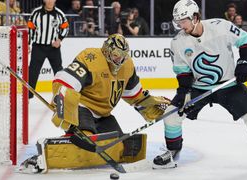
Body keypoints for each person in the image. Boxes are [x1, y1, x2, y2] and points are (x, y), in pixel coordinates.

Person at [152, 0, 247, 172]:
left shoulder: (220, 27)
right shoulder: (177, 42)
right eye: (178, 21)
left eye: (183, 20)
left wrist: (244, 63)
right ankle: (172, 151)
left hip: (229, 85)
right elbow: (183, 72)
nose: (180, 25)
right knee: (171, 116)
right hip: (199, 88)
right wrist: (183, 92)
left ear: (195, 17)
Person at [18, 34, 170, 173]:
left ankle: (80, 138)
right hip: (83, 107)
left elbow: (135, 95)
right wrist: (63, 105)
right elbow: (65, 83)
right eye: (117, 56)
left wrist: (152, 106)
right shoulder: (91, 58)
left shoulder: (127, 65)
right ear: (107, 51)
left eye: (123, 56)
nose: (120, 60)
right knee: (86, 139)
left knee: (118, 143)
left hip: (104, 114)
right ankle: (43, 157)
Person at [27, 0, 69, 99]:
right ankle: (28, 96)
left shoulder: (59, 14)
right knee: (32, 72)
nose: (50, 1)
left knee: (59, 72)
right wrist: (28, 43)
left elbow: (66, 27)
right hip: (38, 47)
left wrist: (59, 40)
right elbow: (30, 28)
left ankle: (61, 95)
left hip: (53, 48)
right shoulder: (36, 13)